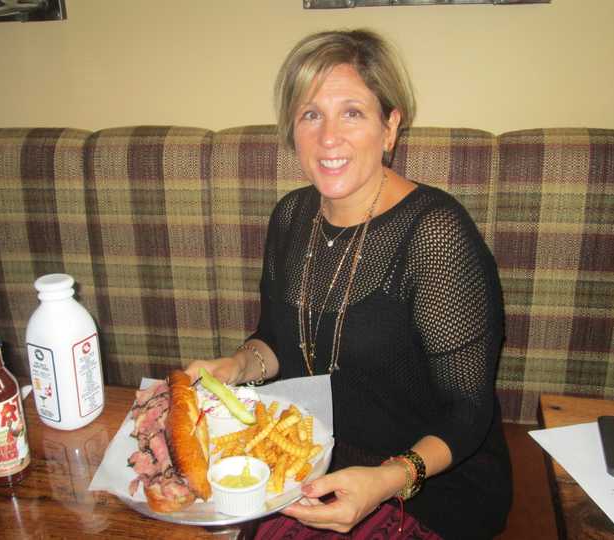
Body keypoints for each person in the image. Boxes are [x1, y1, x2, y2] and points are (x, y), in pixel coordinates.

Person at [186, 29, 512, 539]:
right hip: (316, 463)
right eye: (310, 114)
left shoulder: (436, 235)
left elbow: (468, 414)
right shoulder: (292, 217)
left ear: (390, 126)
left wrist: (388, 479)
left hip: (428, 484)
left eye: (352, 112)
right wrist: (235, 366)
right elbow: (272, 342)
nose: (328, 137)